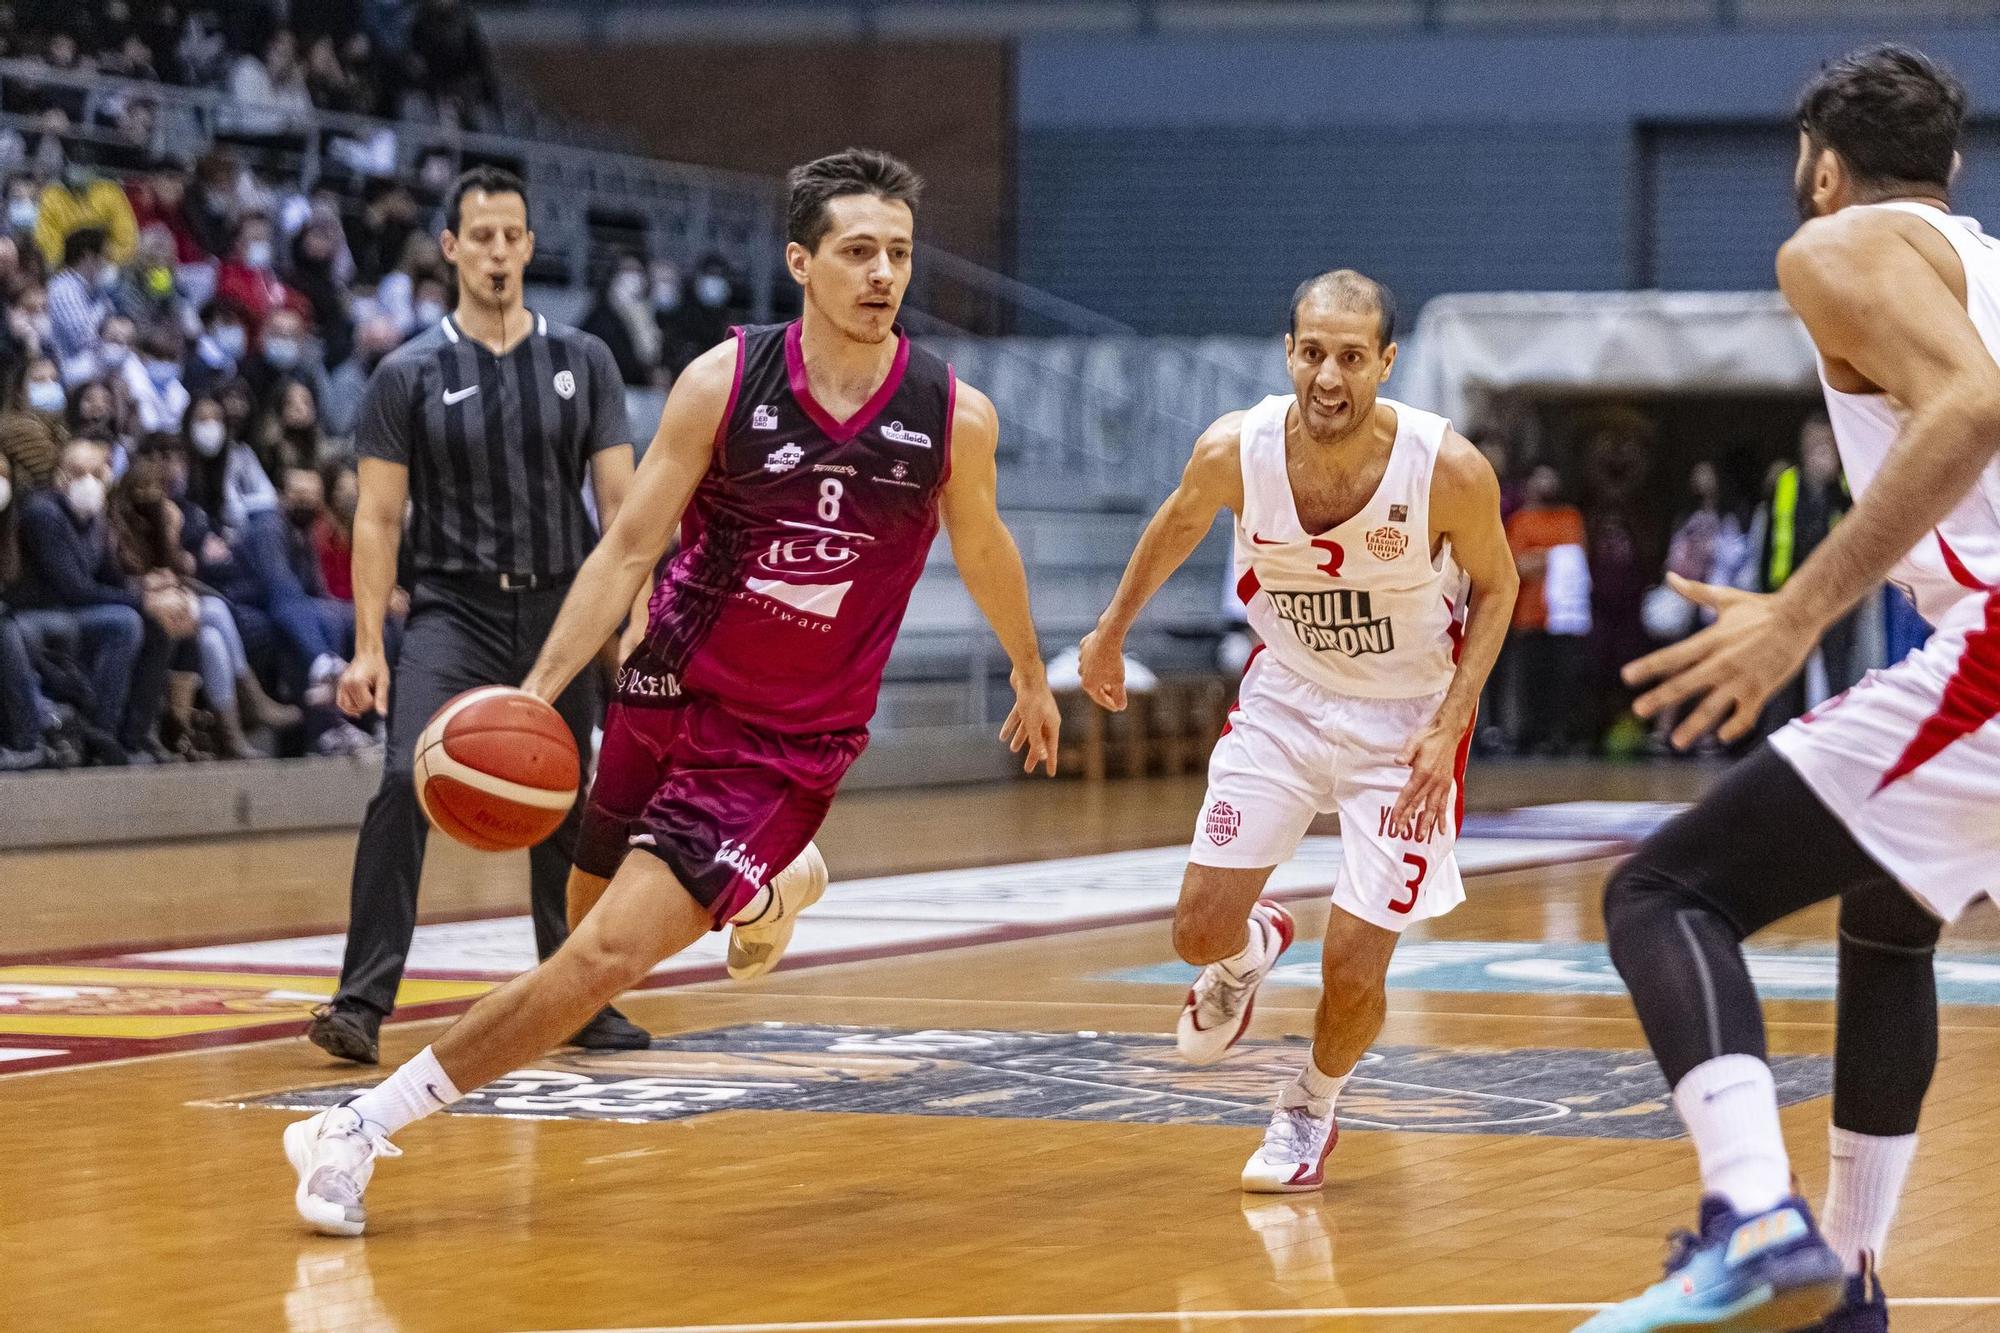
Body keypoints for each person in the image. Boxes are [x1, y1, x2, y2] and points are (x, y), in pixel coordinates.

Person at [283, 148, 1062, 1235]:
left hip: (780, 743)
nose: (882, 272)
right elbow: (623, 550)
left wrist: (1029, 668)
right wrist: (538, 693)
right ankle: (772, 886)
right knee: (582, 939)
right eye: (856, 252)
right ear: (800, 261)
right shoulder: (723, 382)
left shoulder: (949, 414)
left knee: (593, 963)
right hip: (664, 683)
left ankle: (358, 1126)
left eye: (897, 252)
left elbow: (981, 544)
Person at [1586, 45, 2000, 1333]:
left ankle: (1754, 1214)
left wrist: (1794, 616)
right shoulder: (1985, 266)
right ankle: (1849, 1282)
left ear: (1822, 166)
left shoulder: (1831, 246)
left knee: (1663, 890)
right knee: (1888, 916)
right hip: (1967, 644)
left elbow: (1969, 410)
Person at [1078, 268, 1515, 1193]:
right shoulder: (1236, 449)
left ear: (1386, 363)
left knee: (1356, 964)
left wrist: (1452, 722)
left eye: (1351, 357)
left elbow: (1501, 586)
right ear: (1288, 352)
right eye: (1312, 352)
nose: (1328, 375)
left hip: (1405, 725)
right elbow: (1177, 524)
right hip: (1287, 695)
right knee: (1197, 932)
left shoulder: (1447, 470)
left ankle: (1310, 1105)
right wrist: (1111, 631)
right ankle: (1248, 949)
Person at [302, 166, 647, 1067]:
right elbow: (376, 519)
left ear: (531, 245)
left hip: (564, 605)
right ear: (451, 247)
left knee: (574, 803)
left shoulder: (586, 362)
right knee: (398, 784)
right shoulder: (407, 370)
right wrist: (369, 645)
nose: (498, 251)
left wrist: (635, 624)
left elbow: (625, 511)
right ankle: (359, 1003)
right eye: (480, 236)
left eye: (512, 236)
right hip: (452, 608)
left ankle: (579, 999)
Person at [12, 437, 180, 759]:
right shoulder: (42, 513)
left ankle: (134, 735)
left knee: (159, 623)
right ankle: (100, 733)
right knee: (126, 623)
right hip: (42, 610)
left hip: (74, 609)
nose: (88, 481)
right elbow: (74, 589)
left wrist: (149, 586)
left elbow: (109, 577)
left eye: (96, 472)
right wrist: (141, 601)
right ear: (60, 476)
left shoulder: (95, 515)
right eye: (78, 472)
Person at [1504, 464, 1590, 753]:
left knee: (1564, 680)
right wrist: (1554, 556)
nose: (1546, 483)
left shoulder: (1570, 517)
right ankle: (1531, 737)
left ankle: (1560, 737)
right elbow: (1517, 565)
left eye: (1551, 476)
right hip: (1530, 616)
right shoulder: (1521, 520)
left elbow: (1576, 556)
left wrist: (1540, 556)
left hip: (1564, 617)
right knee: (1531, 683)